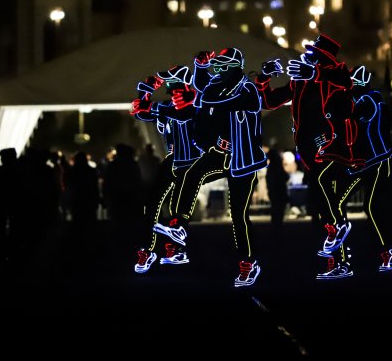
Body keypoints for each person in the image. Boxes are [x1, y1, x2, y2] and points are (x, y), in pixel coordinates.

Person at [152, 48, 267, 287]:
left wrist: (199, 96)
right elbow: (204, 89)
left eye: (224, 65)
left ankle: (248, 262)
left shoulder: (248, 89)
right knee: (191, 173)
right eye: (218, 65)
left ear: (236, 66)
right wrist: (200, 66)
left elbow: (222, 101)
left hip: (244, 160)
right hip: (219, 153)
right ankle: (179, 224)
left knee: (238, 215)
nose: (220, 69)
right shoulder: (216, 86)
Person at [254, 34, 361, 280]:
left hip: (331, 147)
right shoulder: (298, 82)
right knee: (324, 204)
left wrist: (315, 74)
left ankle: (338, 243)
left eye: (312, 53)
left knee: (326, 194)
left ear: (323, 58)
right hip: (308, 151)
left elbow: (345, 81)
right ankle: (337, 261)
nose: (305, 56)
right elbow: (268, 101)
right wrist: (263, 78)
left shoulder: (333, 75)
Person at [130, 66, 200, 273]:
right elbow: (140, 112)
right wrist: (146, 91)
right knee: (151, 204)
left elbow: (182, 113)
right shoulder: (167, 107)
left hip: (192, 162)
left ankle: (175, 249)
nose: (173, 92)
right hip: (173, 159)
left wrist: (148, 100)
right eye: (171, 88)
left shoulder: (197, 105)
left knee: (178, 210)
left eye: (177, 87)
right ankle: (147, 249)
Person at [346, 65, 392, 272]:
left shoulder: (368, 100)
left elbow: (350, 116)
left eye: (352, 84)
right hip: (368, 161)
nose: (350, 88)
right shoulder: (373, 100)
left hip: (376, 161)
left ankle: (389, 249)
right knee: (357, 203)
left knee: (371, 206)